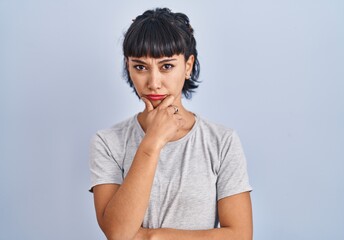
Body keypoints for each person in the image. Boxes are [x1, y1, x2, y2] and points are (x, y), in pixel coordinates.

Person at [89, 7, 253, 240]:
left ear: (187, 66)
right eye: (140, 67)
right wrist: (153, 142)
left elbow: (240, 235)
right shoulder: (108, 142)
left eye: (166, 66)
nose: (154, 83)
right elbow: (118, 233)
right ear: (128, 67)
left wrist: (151, 237)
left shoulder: (221, 141)